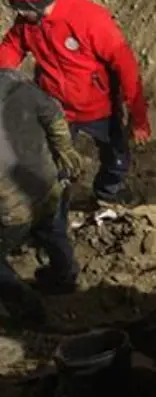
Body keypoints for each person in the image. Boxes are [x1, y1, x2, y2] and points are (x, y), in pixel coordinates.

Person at [1, 0, 151, 206]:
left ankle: (108, 193)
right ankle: (53, 204)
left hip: (99, 109)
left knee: (116, 156)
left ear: (36, 0)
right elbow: (12, 46)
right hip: (55, 106)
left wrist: (139, 118)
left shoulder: (89, 20)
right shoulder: (28, 23)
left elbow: (126, 67)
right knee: (49, 160)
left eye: (18, 4)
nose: (16, 11)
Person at [0, 71, 85, 324]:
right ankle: (64, 276)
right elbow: (54, 116)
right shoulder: (17, 83)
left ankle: (26, 307)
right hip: (46, 184)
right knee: (50, 229)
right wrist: (65, 151)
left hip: (12, 205)